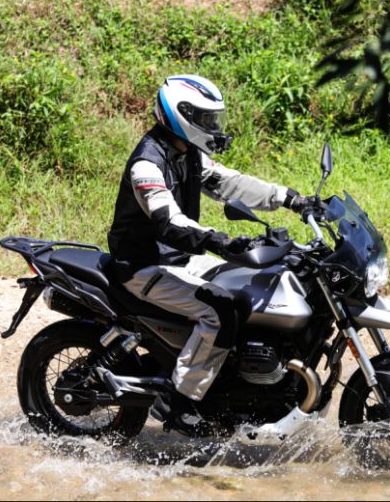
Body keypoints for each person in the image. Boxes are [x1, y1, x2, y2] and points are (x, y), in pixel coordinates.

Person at [107, 74, 313, 432]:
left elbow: (232, 183)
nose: (212, 126)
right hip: (143, 266)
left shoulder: (188, 154)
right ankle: (179, 401)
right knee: (220, 310)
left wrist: (290, 198)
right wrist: (219, 241)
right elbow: (169, 222)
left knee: (253, 288)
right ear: (180, 115)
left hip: (178, 259)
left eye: (213, 118)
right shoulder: (147, 165)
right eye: (205, 119)